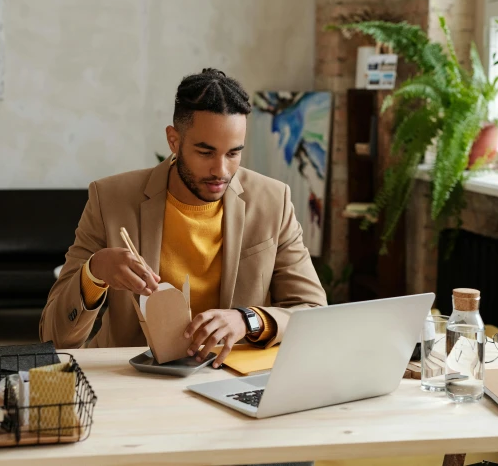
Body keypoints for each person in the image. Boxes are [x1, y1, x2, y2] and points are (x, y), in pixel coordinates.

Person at [39, 68, 327, 368]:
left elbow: (313, 311)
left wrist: (248, 320)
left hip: (229, 377)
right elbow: (55, 338)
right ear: (173, 141)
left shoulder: (272, 201)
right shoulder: (110, 200)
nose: (222, 171)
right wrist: (94, 272)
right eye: (206, 152)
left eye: (233, 154)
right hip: (131, 379)